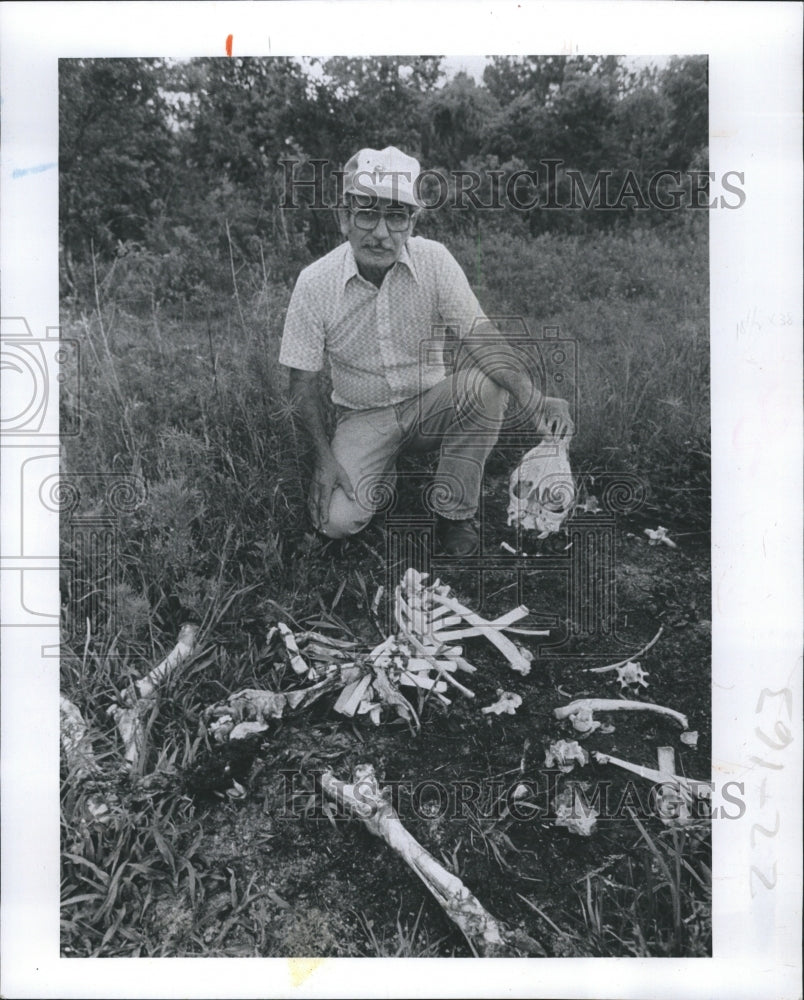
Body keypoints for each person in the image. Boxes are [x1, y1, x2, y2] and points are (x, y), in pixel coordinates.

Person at [279, 145, 573, 556]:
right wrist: (323, 458)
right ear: (343, 217)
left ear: (412, 223)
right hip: (364, 417)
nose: (381, 233)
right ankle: (382, 469)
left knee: (487, 388)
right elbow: (302, 382)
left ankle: (456, 515)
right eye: (367, 212)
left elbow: (482, 338)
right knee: (335, 522)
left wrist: (533, 395)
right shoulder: (314, 283)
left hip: (431, 406)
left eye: (397, 216)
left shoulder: (435, 261)